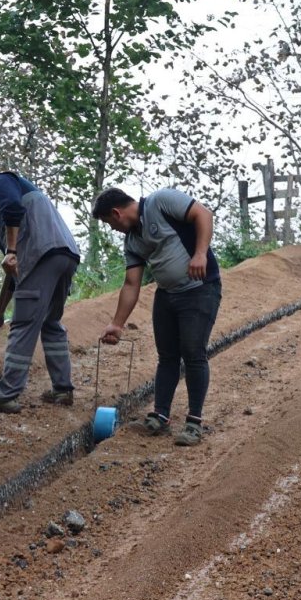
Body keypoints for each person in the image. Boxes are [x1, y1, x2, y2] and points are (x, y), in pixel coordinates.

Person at [91, 186, 221, 446]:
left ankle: (194, 423)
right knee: (168, 356)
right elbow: (131, 284)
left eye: (108, 223)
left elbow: (204, 214)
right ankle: (160, 415)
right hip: (167, 295)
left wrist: (199, 254)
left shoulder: (160, 202)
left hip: (200, 289)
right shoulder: (132, 241)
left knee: (193, 352)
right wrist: (117, 324)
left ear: (116, 213)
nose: (112, 228)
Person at [0, 169, 81, 413]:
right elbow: (14, 275)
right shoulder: (20, 201)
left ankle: (6, 395)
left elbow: (12, 211)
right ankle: (62, 390)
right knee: (51, 323)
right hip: (65, 255)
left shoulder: (1, 182)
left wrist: (11, 251)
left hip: (40, 256)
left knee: (23, 325)